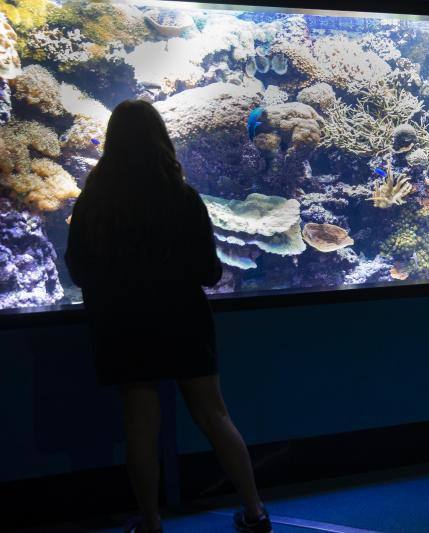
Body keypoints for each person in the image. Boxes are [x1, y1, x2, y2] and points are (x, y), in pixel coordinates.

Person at [65, 100, 272, 533]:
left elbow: (79, 269)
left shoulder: (95, 201)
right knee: (214, 415)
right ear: (162, 139)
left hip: (122, 323)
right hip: (182, 319)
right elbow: (209, 271)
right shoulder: (182, 197)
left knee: (140, 423)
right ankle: (255, 512)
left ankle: (151, 522)